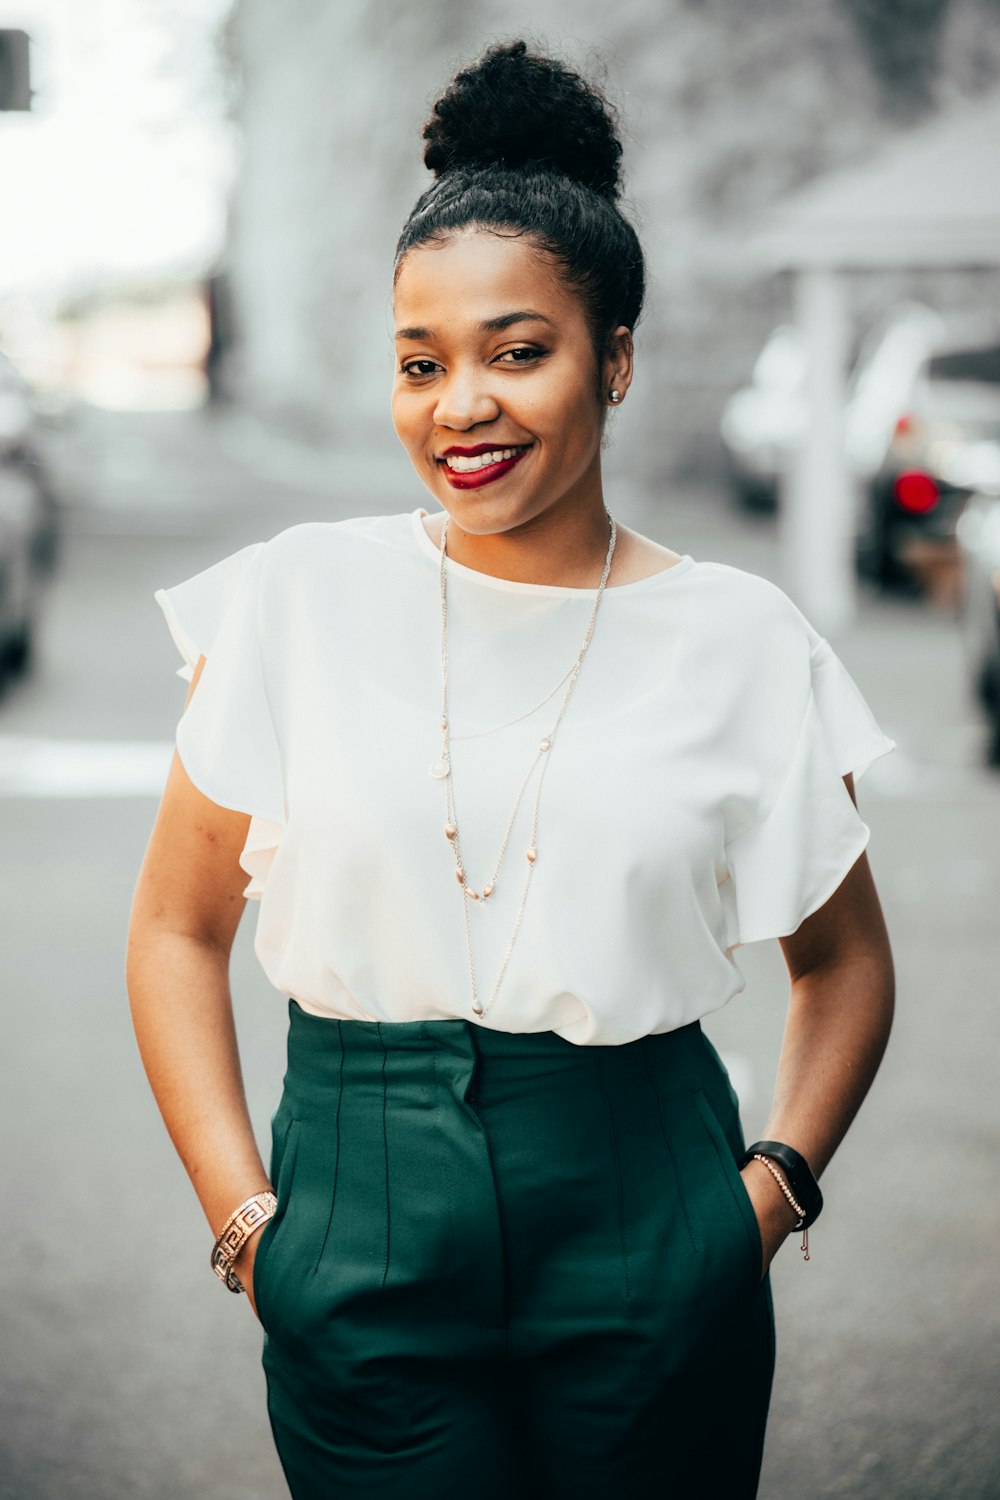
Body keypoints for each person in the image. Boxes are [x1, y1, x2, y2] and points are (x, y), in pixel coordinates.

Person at [125, 38, 897, 1500]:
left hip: (648, 1204)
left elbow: (846, 964)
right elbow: (176, 928)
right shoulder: (293, 599)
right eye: (422, 364)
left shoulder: (740, 639)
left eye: (517, 350)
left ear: (614, 357)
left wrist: (767, 1198)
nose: (459, 405)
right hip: (355, 1206)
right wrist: (247, 1226)